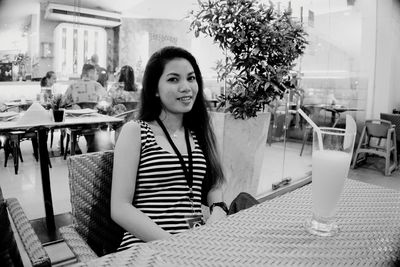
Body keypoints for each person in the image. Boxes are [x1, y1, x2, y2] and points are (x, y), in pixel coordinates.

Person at [111, 46, 227, 251]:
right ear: (155, 89)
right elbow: (120, 208)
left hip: (197, 241)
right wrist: (173, 244)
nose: (186, 87)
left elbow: (214, 183)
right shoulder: (136, 131)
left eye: (191, 78)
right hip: (147, 244)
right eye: (174, 79)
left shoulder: (199, 132)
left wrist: (218, 208)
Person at [62, 63, 107, 153]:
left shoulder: (73, 85)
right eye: (95, 73)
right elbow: (106, 100)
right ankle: (91, 145)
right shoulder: (97, 85)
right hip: (93, 123)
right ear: (90, 73)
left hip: (76, 123)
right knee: (94, 118)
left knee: (70, 114)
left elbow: (63, 102)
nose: (97, 75)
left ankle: (75, 146)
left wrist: (75, 105)